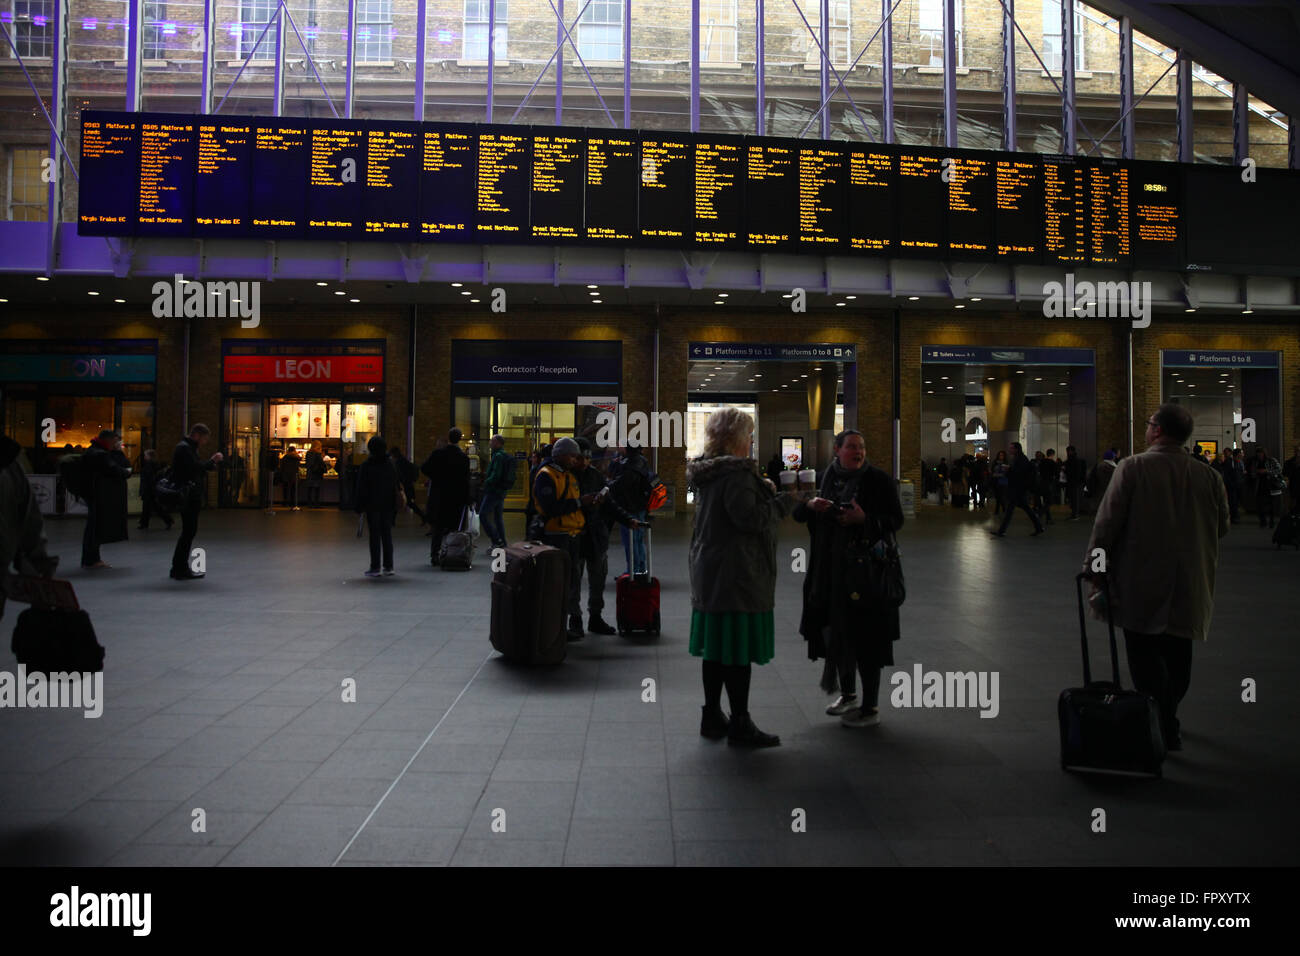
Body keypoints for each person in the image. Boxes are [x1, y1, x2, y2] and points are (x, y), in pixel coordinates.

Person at [1084, 404, 1229, 752]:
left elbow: (1105, 526)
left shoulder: (1133, 468)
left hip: (1140, 580)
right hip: (1190, 582)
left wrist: (1095, 569)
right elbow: (1222, 526)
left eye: (1149, 424)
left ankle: (1161, 723)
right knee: (1179, 657)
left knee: (1144, 655)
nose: (1147, 429)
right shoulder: (1209, 476)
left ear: (1158, 431)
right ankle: (1166, 718)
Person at [687, 407, 799, 748]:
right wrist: (783, 503)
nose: (752, 441)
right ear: (737, 439)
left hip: (710, 569)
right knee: (737, 650)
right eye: (749, 435)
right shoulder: (736, 475)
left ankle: (712, 714)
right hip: (737, 574)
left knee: (716, 649)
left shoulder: (709, 473)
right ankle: (740, 721)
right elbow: (749, 520)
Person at [794, 429, 904, 728]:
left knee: (867, 639)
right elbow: (798, 513)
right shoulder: (825, 478)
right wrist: (810, 505)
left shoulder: (878, 480)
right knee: (837, 633)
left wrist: (864, 520)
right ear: (837, 451)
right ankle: (848, 694)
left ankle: (870, 707)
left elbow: (896, 520)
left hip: (866, 574)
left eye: (862, 446)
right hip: (830, 571)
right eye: (852, 446)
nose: (859, 452)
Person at [533, 437, 596, 641]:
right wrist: (579, 503)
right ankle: (555, 625)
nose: (575, 460)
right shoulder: (546, 476)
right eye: (572, 456)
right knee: (558, 582)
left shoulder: (568, 475)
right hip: (556, 536)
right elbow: (551, 508)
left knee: (573, 581)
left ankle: (574, 622)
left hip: (573, 535)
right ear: (560, 455)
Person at [0, 432, 59, 622]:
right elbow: (29, 520)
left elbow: (28, 519)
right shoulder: (8, 465)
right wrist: (39, 567)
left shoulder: (7, 463)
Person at [170, 424, 223, 580]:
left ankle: (179, 567)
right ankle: (179, 568)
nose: (205, 442)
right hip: (189, 497)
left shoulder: (185, 447)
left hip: (190, 495)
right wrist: (212, 461)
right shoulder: (185, 449)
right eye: (205, 439)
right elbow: (194, 468)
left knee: (188, 532)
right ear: (198, 435)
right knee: (188, 532)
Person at [79, 429, 131, 569]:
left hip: (93, 494)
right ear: (109, 439)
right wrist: (125, 472)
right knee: (94, 527)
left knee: (93, 527)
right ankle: (92, 559)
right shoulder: (100, 454)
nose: (116, 443)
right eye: (115, 440)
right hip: (98, 494)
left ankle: (90, 558)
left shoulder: (93, 451)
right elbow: (115, 469)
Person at [422, 428, 472, 565]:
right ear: (459, 439)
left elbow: (424, 468)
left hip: (439, 495)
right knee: (454, 527)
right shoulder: (463, 458)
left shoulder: (438, 454)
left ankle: (435, 554)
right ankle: (453, 554)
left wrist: (436, 477)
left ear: (448, 438)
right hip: (456, 497)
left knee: (438, 527)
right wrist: (468, 499)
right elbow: (465, 480)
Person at [355, 436, 401, 577]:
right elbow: (395, 484)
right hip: (387, 504)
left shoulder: (367, 465)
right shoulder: (390, 464)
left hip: (372, 504)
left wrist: (359, 505)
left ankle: (375, 567)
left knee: (374, 535)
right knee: (386, 534)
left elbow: (361, 487)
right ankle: (389, 566)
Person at [609, 442, 652, 576]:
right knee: (637, 540)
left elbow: (623, 482)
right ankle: (639, 569)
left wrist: (609, 486)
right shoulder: (634, 460)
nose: (618, 448)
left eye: (621, 446)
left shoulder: (634, 462)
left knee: (632, 540)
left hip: (632, 506)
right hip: (636, 506)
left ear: (627, 448)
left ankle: (634, 571)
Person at [991, 442, 1044, 537]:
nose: (1009, 450)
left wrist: (1008, 470)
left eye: (1011, 448)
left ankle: (1001, 531)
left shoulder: (1021, 459)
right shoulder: (1018, 459)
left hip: (1018, 489)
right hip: (1018, 489)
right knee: (1023, 508)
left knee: (1011, 510)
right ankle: (1038, 527)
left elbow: (1018, 474)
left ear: (1016, 449)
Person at [478, 434, 512, 550]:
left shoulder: (498, 456)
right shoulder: (503, 455)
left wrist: (486, 482)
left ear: (498, 443)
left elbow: (495, 475)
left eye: (492, 441)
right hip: (501, 491)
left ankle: (496, 539)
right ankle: (502, 542)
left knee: (483, 515)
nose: (490, 443)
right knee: (498, 518)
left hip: (493, 490)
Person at [137, 448, 172, 531]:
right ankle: (167, 520)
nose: (144, 456)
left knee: (148, 507)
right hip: (151, 489)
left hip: (148, 490)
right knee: (153, 507)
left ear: (149, 456)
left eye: (145, 455)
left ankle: (144, 523)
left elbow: (148, 479)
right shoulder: (154, 465)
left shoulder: (148, 465)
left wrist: (144, 490)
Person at [1250, 447, 1283, 529]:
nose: (1259, 455)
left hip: (1270, 485)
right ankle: (1263, 521)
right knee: (1260, 505)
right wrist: (1255, 473)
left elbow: (1279, 470)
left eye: (1261, 453)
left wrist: (1267, 471)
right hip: (1260, 485)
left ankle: (1271, 521)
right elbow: (1252, 473)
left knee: (1271, 505)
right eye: (1258, 454)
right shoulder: (1255, 462)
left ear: (1264, 453)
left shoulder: (1271, 460)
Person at [1062, 445, 1087, 520]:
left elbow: (1071, 472)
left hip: (1073, 482)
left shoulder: (1071, 461)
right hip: (1077, 482)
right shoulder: (1078, 460)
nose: (1067, 453)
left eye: (1068, 451)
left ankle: (1075, 514)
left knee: (1074, 498)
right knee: (1075, 498)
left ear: (1071, 451)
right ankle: (1075, 514)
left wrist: (1064, 469)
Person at [304, 440, 326, 507]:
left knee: (309, 489)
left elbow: (307, 463)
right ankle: (316, 503)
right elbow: (321, 463)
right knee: (316, 489)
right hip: (316, 474)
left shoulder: (308, 453)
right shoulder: (317, 454)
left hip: (309, 473)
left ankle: (309, 503)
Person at [279, 445, 301, 510]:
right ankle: (293, 502)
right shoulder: (297, 457)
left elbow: (281, 466)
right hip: (294, 475)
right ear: (294, 450)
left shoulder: (285, 457)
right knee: (293, 490)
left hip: (286, 475)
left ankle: (285, 502)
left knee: (285, 490)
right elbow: (299, 463)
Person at [990, 449, 1009, 516]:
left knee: (1001, 495)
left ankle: (998, 509)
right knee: (997, 495)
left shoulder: (1006, 463)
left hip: (1003, 481)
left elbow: (1007, 472)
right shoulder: (995, 462)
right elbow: (992, 471)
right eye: (1000, 455)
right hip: (996, 480)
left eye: (1002, 455)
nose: (1001, 456)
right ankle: (1003, 507)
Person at [1283, 445, 1300, 515]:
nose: (1298, 452)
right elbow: (1285, 474)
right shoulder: (1289, 462)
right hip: (1292, 488)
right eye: (1297, 450)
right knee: (1292, 506)